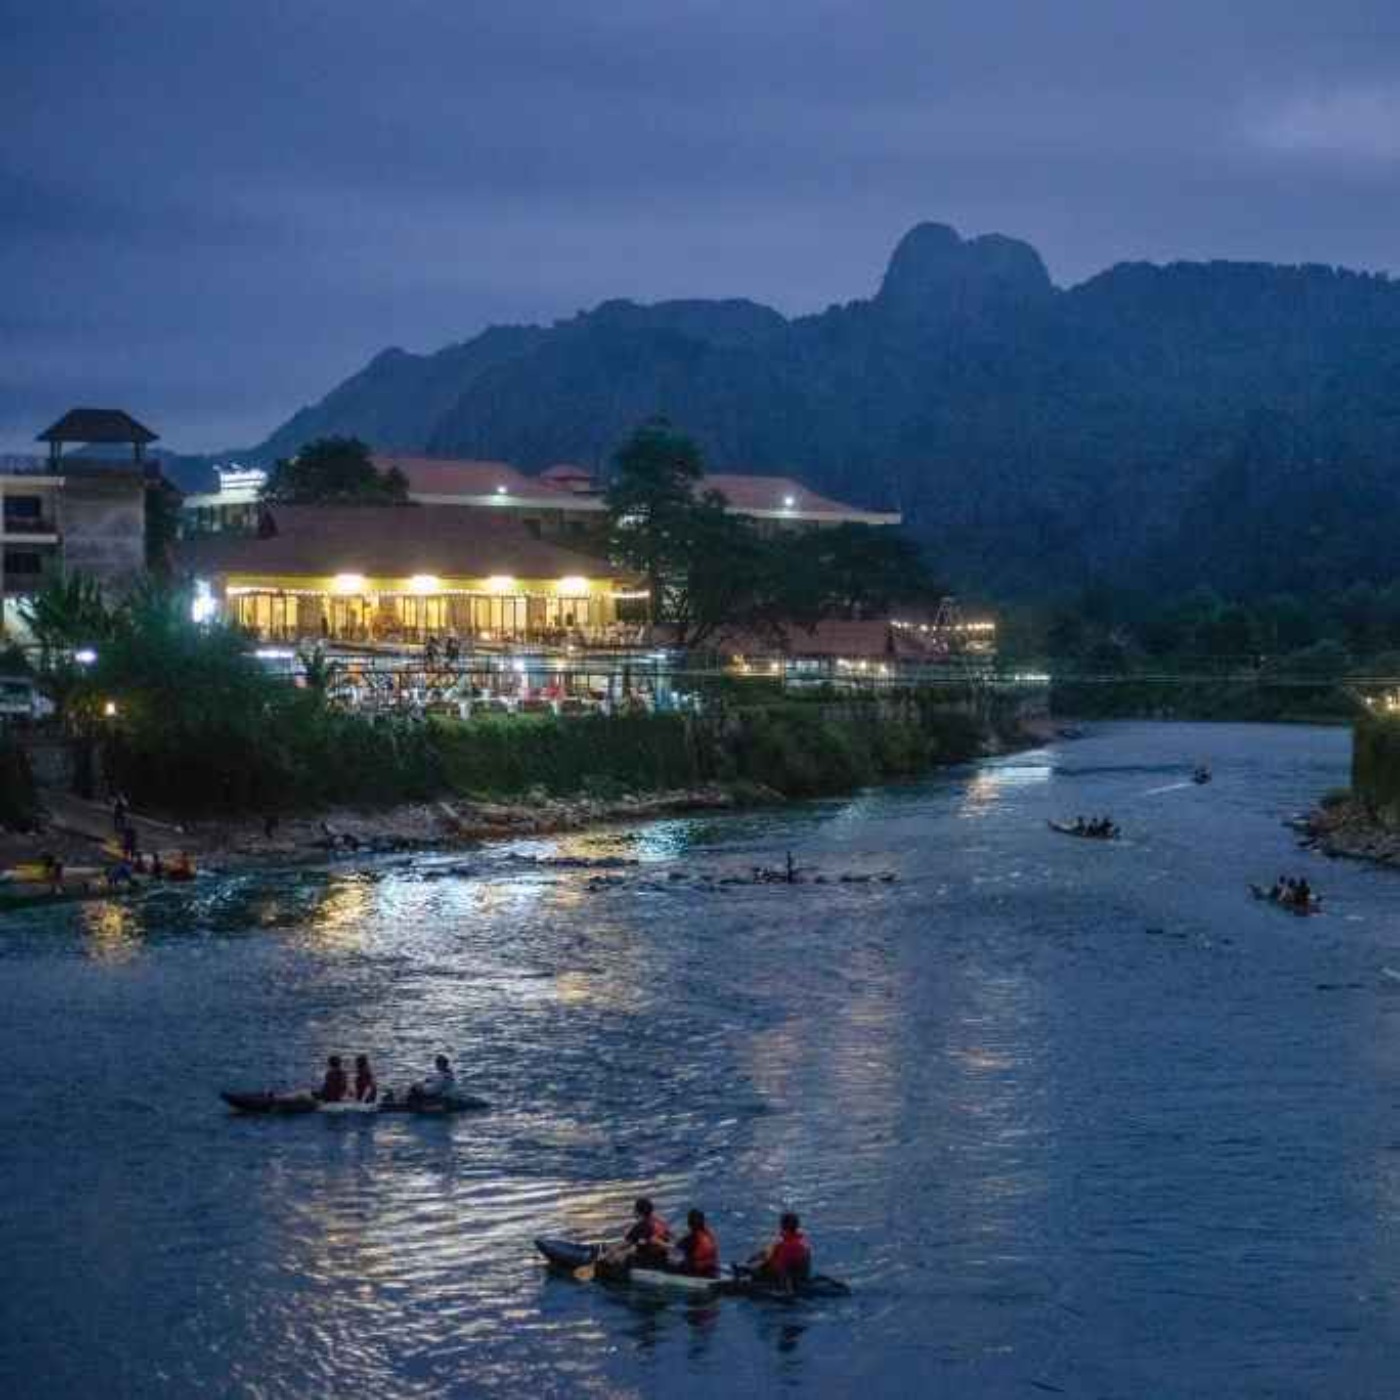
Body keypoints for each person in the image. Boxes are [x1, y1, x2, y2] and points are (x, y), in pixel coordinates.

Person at [749, 1212, 812, 1288]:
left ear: (782, 1226)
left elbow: (781, 1268)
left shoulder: (786, 1245)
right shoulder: (803, 1242)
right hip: (800, 1277)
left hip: (784, 1280)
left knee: (761, 1265)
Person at [615, 1197, 672, 1269]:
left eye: (634, 1209)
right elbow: (669, 1235)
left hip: (648, 1261)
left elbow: (625, 1244)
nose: (633, 1211)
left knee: (622, 1255)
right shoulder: (659, 1222)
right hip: (662, 1257)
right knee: (632, 1250)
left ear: (637, 1212)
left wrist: (611, 1251)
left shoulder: (640, 1227)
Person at [674, 1208, 719, 1278]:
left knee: (675, 1264)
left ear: (689, 1223)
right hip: (712, 1271)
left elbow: (677, 1246)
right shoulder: (709, 1234)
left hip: (696, 1273)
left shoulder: (691, 1238)